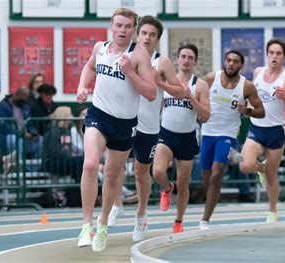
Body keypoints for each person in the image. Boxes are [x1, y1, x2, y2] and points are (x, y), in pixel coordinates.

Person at [75, 8, 156, 252]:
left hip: (124, 123)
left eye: (127, 26)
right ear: (111, 26)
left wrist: (130, 71)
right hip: (98, 115)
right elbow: (90, 67)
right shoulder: (100, 48)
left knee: (111, 175)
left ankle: (102, 223)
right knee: (90, 165)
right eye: (118, 25)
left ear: (133, 29)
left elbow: (151, 93)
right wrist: (82, 86)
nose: (122, 30)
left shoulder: (139, 55)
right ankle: (86, 224)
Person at [105, 15, 187, 242]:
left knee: (142, 172)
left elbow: (181, 92)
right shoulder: (123, 55)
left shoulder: (162, 62)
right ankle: (116, 204)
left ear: (158, 39)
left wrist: (161, 83)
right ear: (137, 33)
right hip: (123, 120)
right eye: (144, 33)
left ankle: (141, 216)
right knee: (115, 165)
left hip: (148, 127)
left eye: (153, 35)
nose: (147, 38)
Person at [198, 50, 265, 230]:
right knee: (208, 180)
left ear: (241, 66)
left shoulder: (247, 86)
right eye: (228, 60)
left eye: (235, 61)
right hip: (207, 134)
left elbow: (261, 111)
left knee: (217, 171)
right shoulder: (211, 78)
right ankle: (235, 158)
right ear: (224, 61)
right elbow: (195, 94)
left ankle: (205, 219)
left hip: (227, 134)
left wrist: (248, 111)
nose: (231, 64)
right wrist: (199, 111)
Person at [239, 38, 285, 223]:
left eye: (278, 53)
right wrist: (246, 106)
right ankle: (261, 168)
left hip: (275, 132)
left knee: (272, 176)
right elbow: (251, 96)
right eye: (271, 53)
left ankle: (272, 211)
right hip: (257, 128)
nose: (274, 56)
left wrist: (284, 97)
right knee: (245, 165)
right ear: (266, 55)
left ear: (284, 57)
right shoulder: (257, 72)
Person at [152, 44, 210, 233]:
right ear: (177, 59)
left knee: (184, 183)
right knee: (158, 172)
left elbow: (206, 115)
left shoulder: (200, 85)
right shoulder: (168, 80)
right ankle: (167, 188)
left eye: (190, 57)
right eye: (183, 56)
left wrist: (191, 98)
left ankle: (178, 221)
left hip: (186, 138)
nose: (186, 60)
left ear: (195, 61)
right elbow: (156, 104)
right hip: (166, 134)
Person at [0, 87, 43, 171]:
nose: (24, 103)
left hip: (25, 139)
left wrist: (34, 132)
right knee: (14, 139)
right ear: (16, 95)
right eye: (22, 100)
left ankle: (31, 171)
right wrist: (20, 134)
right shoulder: (1, 107)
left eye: (26, 101)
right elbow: (3, 127)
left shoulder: (25, 107)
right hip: (6, 139)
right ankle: (18, 171)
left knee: (41, 140)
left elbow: (30, 125)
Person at [41, 106, 83, 181]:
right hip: (52, 162)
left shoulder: (67, 131)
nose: (72, 117)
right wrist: (69, 157)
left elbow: (68, 149)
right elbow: (54, 152)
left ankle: (78, 188)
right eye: (69, 114)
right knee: (79, 161)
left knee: (80, 162)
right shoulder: (53, 132)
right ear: (64, 116)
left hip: (64, 160)